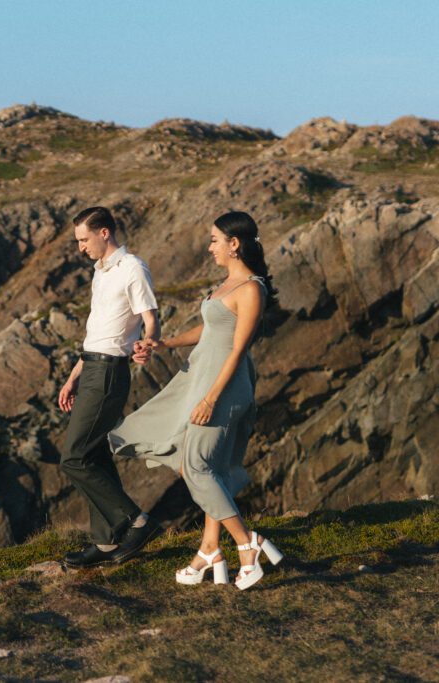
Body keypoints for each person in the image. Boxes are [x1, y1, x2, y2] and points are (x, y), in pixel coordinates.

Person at [108, 211, 283, 590]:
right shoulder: (227, 286)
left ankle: (247, 544)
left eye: (215, 240)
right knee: (202, 468)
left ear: (234, 244)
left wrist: (210, 398)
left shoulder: (252, 288)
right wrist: (164, 343)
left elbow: (238, 349)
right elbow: (211, 329)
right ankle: (209, 551)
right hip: (201, 380)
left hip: (224, 387)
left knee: (199, 467)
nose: (210, 247)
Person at [59, 206, 160, 569]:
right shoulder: (99, 273)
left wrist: (147, 345)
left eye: (84, 240)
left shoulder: (133, 268)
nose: (81, 248)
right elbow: (97, 332)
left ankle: (137, 521)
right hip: (90, 368)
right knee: (94, 455)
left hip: (110, 373)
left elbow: (151, 318)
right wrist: (73, 377)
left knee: (73, 457)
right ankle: (104, 542)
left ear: (104, 233)